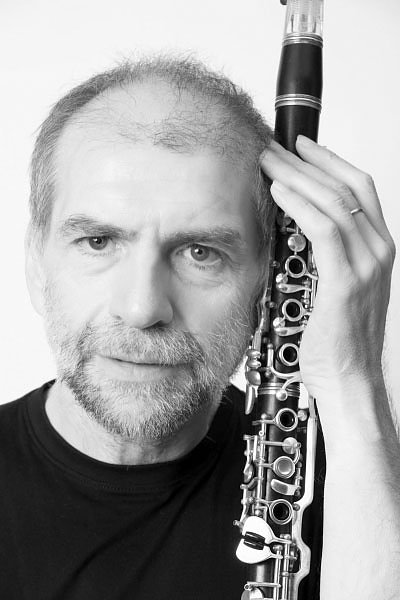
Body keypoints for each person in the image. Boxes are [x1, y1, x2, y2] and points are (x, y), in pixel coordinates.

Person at [0, 56, 398, 600]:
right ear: (35, 264)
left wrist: (355, 384)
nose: (142, 308)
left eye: (200, 252)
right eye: (98, 242)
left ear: (269, 281)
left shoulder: (358, 487)